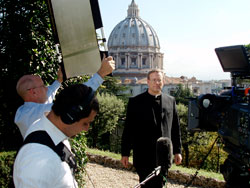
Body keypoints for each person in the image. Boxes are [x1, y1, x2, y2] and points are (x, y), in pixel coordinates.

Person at [13, 84, 99, 187]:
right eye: (85, 123)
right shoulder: (38, 157)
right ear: (69, 117)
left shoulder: (55, 136)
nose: (86, 129)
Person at [15, 56, 115, 138]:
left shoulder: (23, 111)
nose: (47, 88)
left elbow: (50, 93)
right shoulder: (29, 115)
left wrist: (59, 80)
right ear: (33, 92)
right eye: (43, 86)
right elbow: (75, 100)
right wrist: (100, 74)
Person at [121, 69, 182, 188]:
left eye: (159, 80)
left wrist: (177, 151)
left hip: (164, 155)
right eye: (154, 80)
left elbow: (175, 128)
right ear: (148, 82)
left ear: (163, 82)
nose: (157, 82)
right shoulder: (135, 102)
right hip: (143, 154)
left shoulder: (171, 101)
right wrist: (125, 153)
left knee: (161, 185)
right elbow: (128, 129)